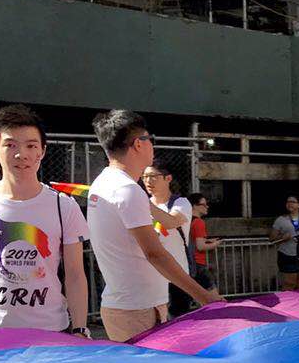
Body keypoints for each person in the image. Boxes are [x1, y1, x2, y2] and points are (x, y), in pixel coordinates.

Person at [0, 105, 89, 339]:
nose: (21, 154)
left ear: (42, 151)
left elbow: (75, 274)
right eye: (10, 145)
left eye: (31, 145)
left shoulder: (64, 206)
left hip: (51, 332)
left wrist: (81, 328)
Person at [87, 110, 218, 341]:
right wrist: (205, 297)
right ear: (139, 144)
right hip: (137, 310)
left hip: (132, 305)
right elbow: (155, 253)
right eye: (150, 139)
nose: (152, 146)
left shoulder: (104, 182)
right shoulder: (127, 190)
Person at [141, 165, 195, 317]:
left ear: (168, 178)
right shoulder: (142, 204)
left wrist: (145, 205)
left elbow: (171, 222)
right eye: (144, 177)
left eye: (153, 176)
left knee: (178, 325)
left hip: (177, 276)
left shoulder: (181, 203)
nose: (148, 181)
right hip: (150, 275)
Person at [269, 195, 299, 292]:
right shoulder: (281, 220)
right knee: (289, 284)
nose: (289, 204)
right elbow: (272, 239)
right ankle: (287, 305)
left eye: (293, 202)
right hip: (287, 255)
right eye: (288, 202)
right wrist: (282, 238)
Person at [187, 194, 220, 292]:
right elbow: (200, 246)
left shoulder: (188, 221)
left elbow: (192, 239)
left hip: (190, 263)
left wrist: (208, 241)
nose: (207, 207)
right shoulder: (199, 222)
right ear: (194, 206)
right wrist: (215, 244)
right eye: (203, 204)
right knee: (213, 296)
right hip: (199, 263)